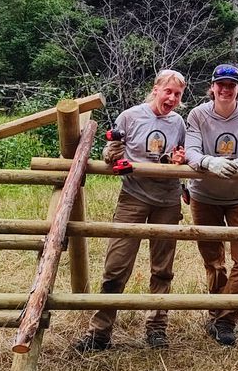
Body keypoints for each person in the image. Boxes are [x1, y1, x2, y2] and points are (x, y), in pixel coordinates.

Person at [74, 69, 188, 352]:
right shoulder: (130, 116)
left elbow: (182, 156)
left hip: (168, 199)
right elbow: (111, 151)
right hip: (133, 196)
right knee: (116, 266)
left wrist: (178, 160)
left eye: (177, 94)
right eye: (168, 92)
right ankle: (100, 332)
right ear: (155, 89)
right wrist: (112, 156)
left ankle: (157, 327)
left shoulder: (178, 123)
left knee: (162, 269)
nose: (172, 99)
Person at [185, 64, 238, 347]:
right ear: (212, 87)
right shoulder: (197, 115)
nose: (225, 89)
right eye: (221, 84)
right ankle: (218, 314)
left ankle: (226, 317)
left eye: (231, 85)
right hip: (204, 195)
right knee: (213, 259)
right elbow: (191, 151)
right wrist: (208, 162)